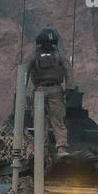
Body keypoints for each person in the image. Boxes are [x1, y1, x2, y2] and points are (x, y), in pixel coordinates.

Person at [26, 27, 71, 158]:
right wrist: (24, 90)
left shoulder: (58, 55)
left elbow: (68, 70)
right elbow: (25, 71)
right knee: (40, 122)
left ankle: (61, 148)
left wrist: (70, 88)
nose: (48, 45)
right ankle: (42, 150)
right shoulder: (36, 55)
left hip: (54, 90)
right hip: (40, 90)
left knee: (57, 119)